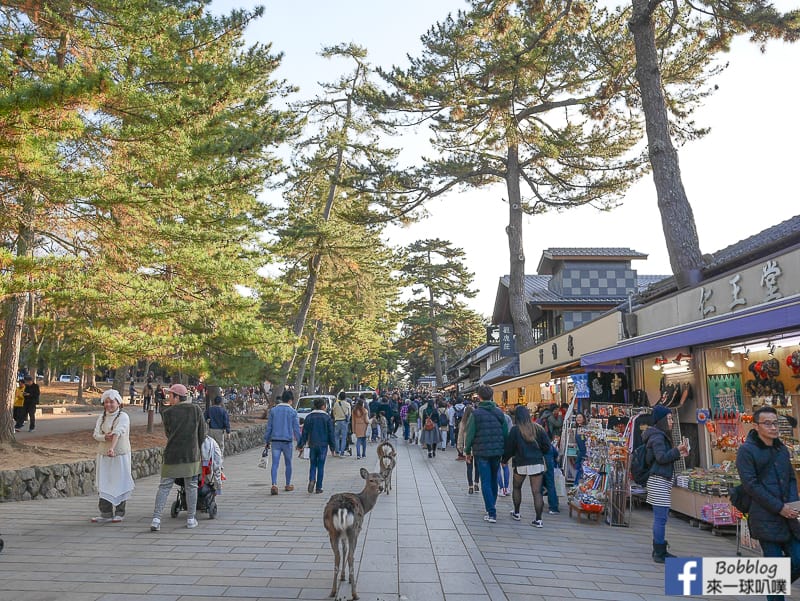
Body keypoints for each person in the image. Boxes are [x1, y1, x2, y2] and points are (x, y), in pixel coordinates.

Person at [736, 405, 800, 601]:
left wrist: (792, 504)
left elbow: (790, 478)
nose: (773, 427)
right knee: (775, 566)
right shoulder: (746, 451)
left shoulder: (781, 450)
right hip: (764, 517)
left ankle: (771, 585)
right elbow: (751, 486)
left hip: (788, 516)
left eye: (775, 423)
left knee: (797, 558)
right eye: (767, 423)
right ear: (756, 426)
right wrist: (779, 508)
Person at [150, 383, 207, 531]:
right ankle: (190, 518)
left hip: (172, 455)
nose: (169, 397)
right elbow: (203, 433)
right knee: (191, 486)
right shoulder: (196, 410)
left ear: (177, 397)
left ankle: (156, 519)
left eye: (171, 395)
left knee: (164, 487)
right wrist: (196, 444)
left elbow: (168, 434)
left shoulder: (167, 413)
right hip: (190, 454)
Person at [643, 404, 689, 562]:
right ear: (661, 420)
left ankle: (659, 548)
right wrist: (676, 450)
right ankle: (659, 551)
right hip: (658, 481)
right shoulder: (657, 437)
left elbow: (663, 457)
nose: (672, 422)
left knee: (660, 517)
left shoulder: (658, 436)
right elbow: (661, 458)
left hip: (661, 480)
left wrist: (678, 453)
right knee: (660, 518)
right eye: (669, 418)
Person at [464, 384, 509, 523]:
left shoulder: (475, 414)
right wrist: (505, 453)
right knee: (494, 479)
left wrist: (467, 451)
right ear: (491, 396)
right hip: (497, 452)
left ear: (479, 396)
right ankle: (491, 506)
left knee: (485, 481)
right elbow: (505, 433)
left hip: (481, 452)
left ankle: (491, 511)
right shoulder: (499, 413)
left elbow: (470, 434)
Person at [91, 389, 134, 523]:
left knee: (120, 481)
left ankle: (120, 512)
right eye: (106, 402)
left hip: (119, 455)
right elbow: (96, 434)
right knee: (104, 481)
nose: (109, 405)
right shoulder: (101, 417)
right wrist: (104, 437)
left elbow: (118, 432)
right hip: (103, 455)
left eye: (112, 402)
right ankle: (106, 512)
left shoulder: (123, 417)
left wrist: (112, 448)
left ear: (118, 403)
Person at [502, 405, 550, 527]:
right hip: (537, 463)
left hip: (521, 462)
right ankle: (538, 519)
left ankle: (517, 512)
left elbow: (509, 448)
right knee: (537, 492)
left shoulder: (515, 430)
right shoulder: (538, 429)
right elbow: (547, 446)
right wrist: (539, 454)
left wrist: (504, 460)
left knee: (517, 487)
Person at [264, 388, 301, 495]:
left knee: (275, 463)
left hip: (275, 440)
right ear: (290, 400)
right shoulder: (293, 412)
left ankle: (274, 484)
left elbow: (269, 427)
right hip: (287, 441)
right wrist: (300, 442)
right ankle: (288, 484)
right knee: (288, 463)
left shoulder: (273, 411)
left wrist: (267, 440)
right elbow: (296, 429)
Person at [297, 397, 336, 494]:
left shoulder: (309, 417)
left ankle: (311, 479)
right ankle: (319, 487)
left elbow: (304, 432)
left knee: (313, 464)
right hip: (323, 444)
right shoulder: (327, 418)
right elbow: (331, 433)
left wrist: (301, 444)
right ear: (323, 406)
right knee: (321, 466)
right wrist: (333, 447)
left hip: (312, 444)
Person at [457, 404, 480, 494]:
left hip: (468, 448)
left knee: (469, 467)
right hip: (476, 447)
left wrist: (460, 447)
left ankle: (470, 486)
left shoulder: (463, 422)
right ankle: (476, 483)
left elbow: (460, 436)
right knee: (477, 466)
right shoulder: (476, 421)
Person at [331, 392, 351, 457]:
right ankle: (342, 452)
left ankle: (337, 451)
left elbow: (333, 413)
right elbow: (349, 414)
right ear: (345, 397)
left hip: (337, 421)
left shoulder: (336, 404)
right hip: (344, 422)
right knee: (344, 438)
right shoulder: (347, 404)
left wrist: (336, 417)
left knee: (336, 437)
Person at [573, 412, 588, 486]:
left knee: (581, 469)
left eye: (580, 417)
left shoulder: (585, 428)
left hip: (584, 452)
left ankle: (576, 484)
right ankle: (577, 485)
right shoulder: (577, 428)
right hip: (580, 452)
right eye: (577, 417)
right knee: (579, 468)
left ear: (584, 419)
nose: (578, 419)